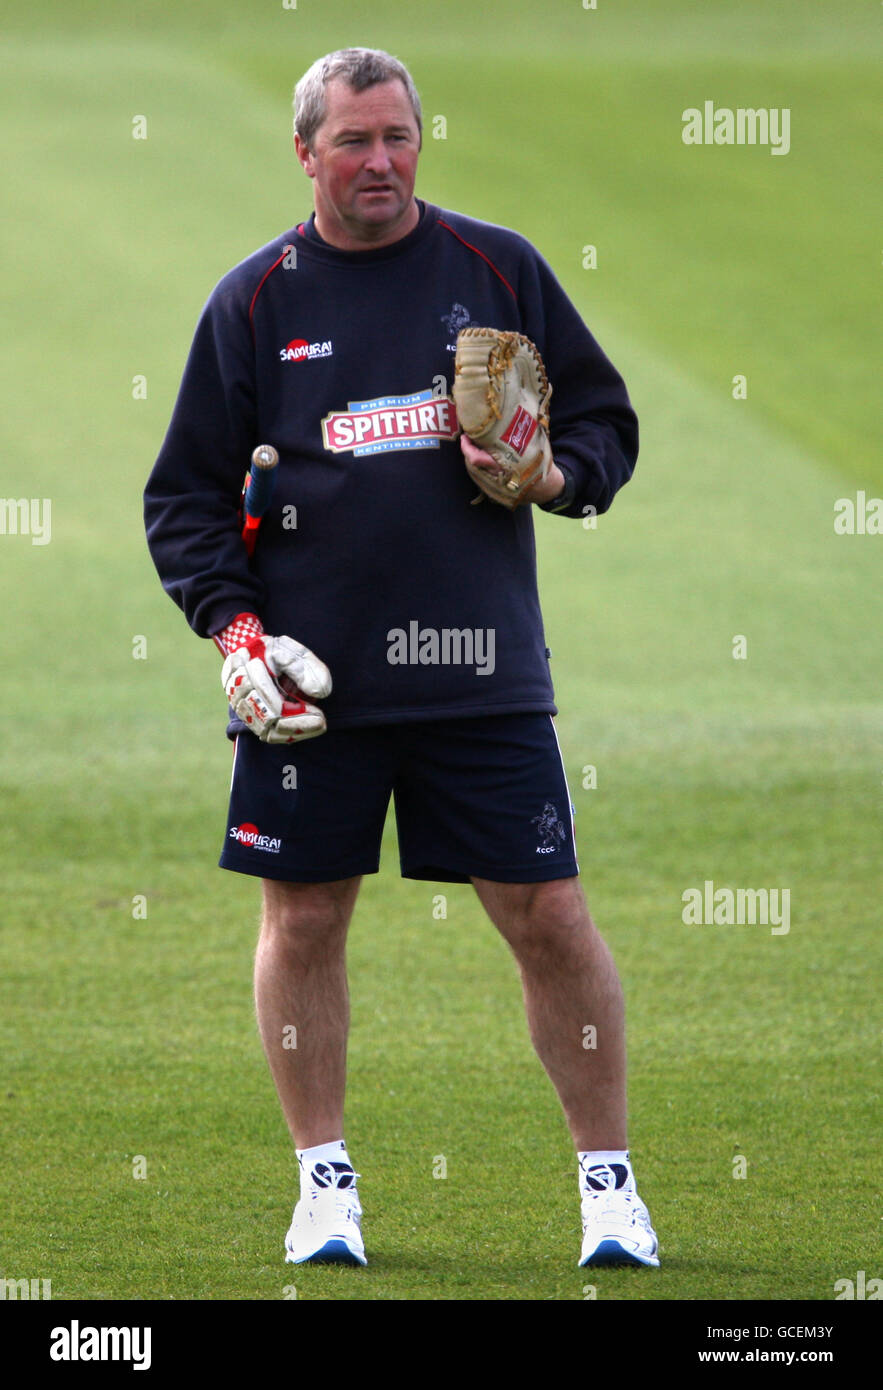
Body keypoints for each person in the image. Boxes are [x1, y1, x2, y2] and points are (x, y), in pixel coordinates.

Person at [143, 46, 659, 1272]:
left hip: (482, 673)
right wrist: (236, 631)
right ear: (306, 151)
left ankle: (609, 1189)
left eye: (399, 137)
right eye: (354, 141)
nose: (381, 162)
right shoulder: (255, 301)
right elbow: (186, 500)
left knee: (548, 913)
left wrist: (552, 477)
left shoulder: (497, 269)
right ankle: (324, 1186)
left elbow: (604, 422)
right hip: (308, 686)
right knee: (305, 918)